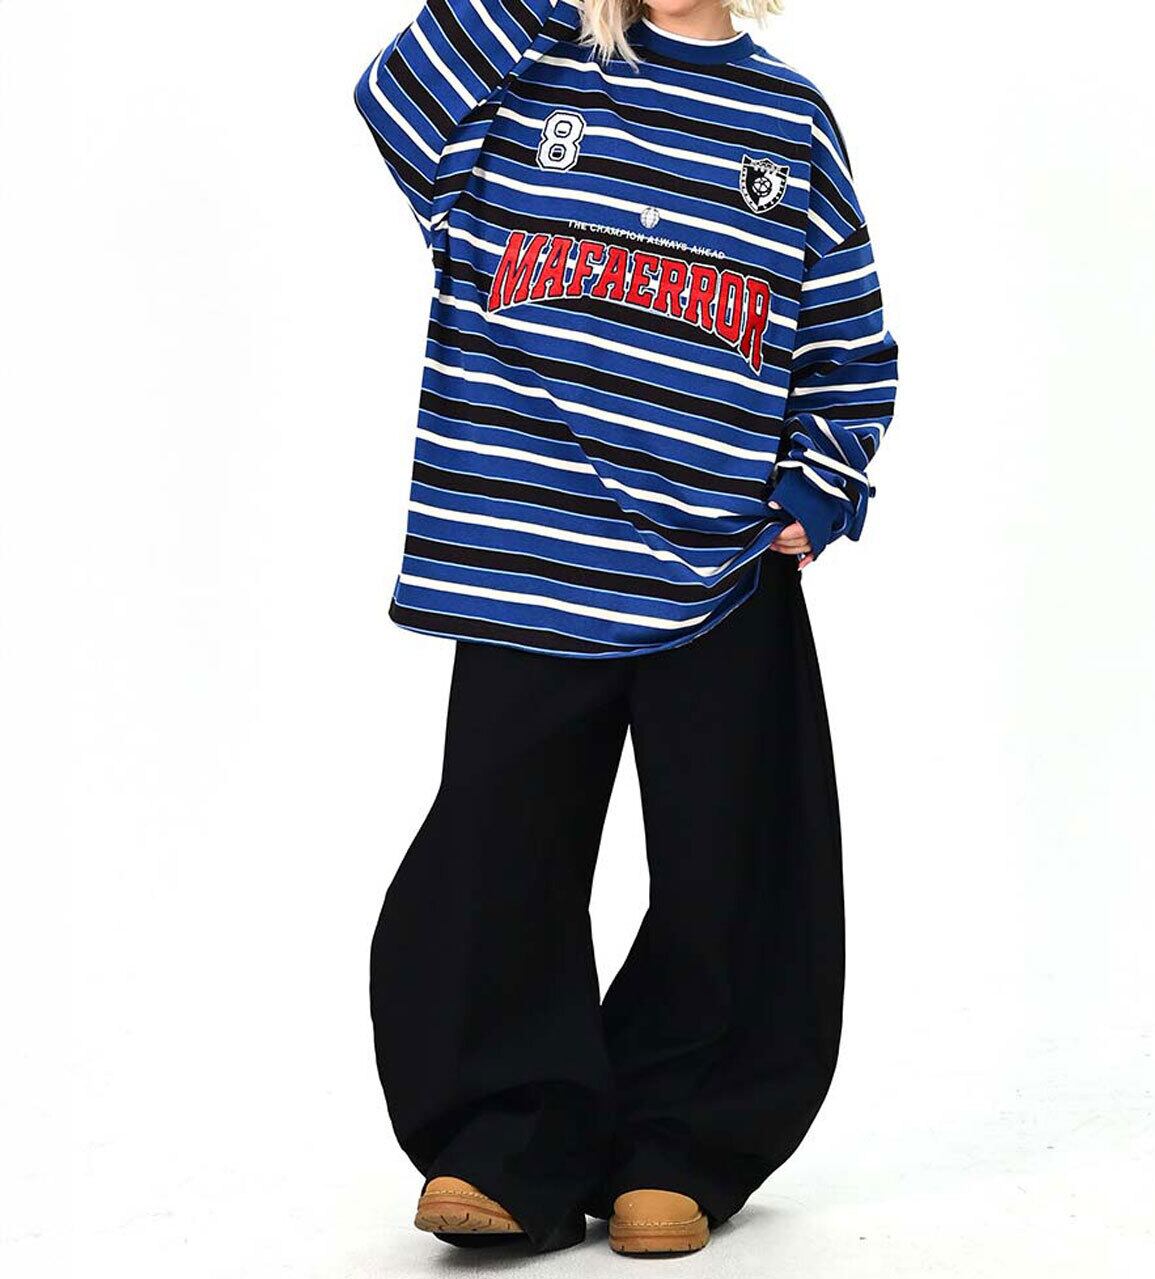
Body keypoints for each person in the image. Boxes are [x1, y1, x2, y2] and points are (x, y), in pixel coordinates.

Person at [352, 0, 899, 1256]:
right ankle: (509, 1134)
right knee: (500, 846)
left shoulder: (789, 121)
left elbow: (846, 339)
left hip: (722, 564)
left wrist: (815, 484)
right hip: (530, 548)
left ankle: (681, 1136)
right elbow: (393, 99)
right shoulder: (517, 76)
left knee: (733, 857)